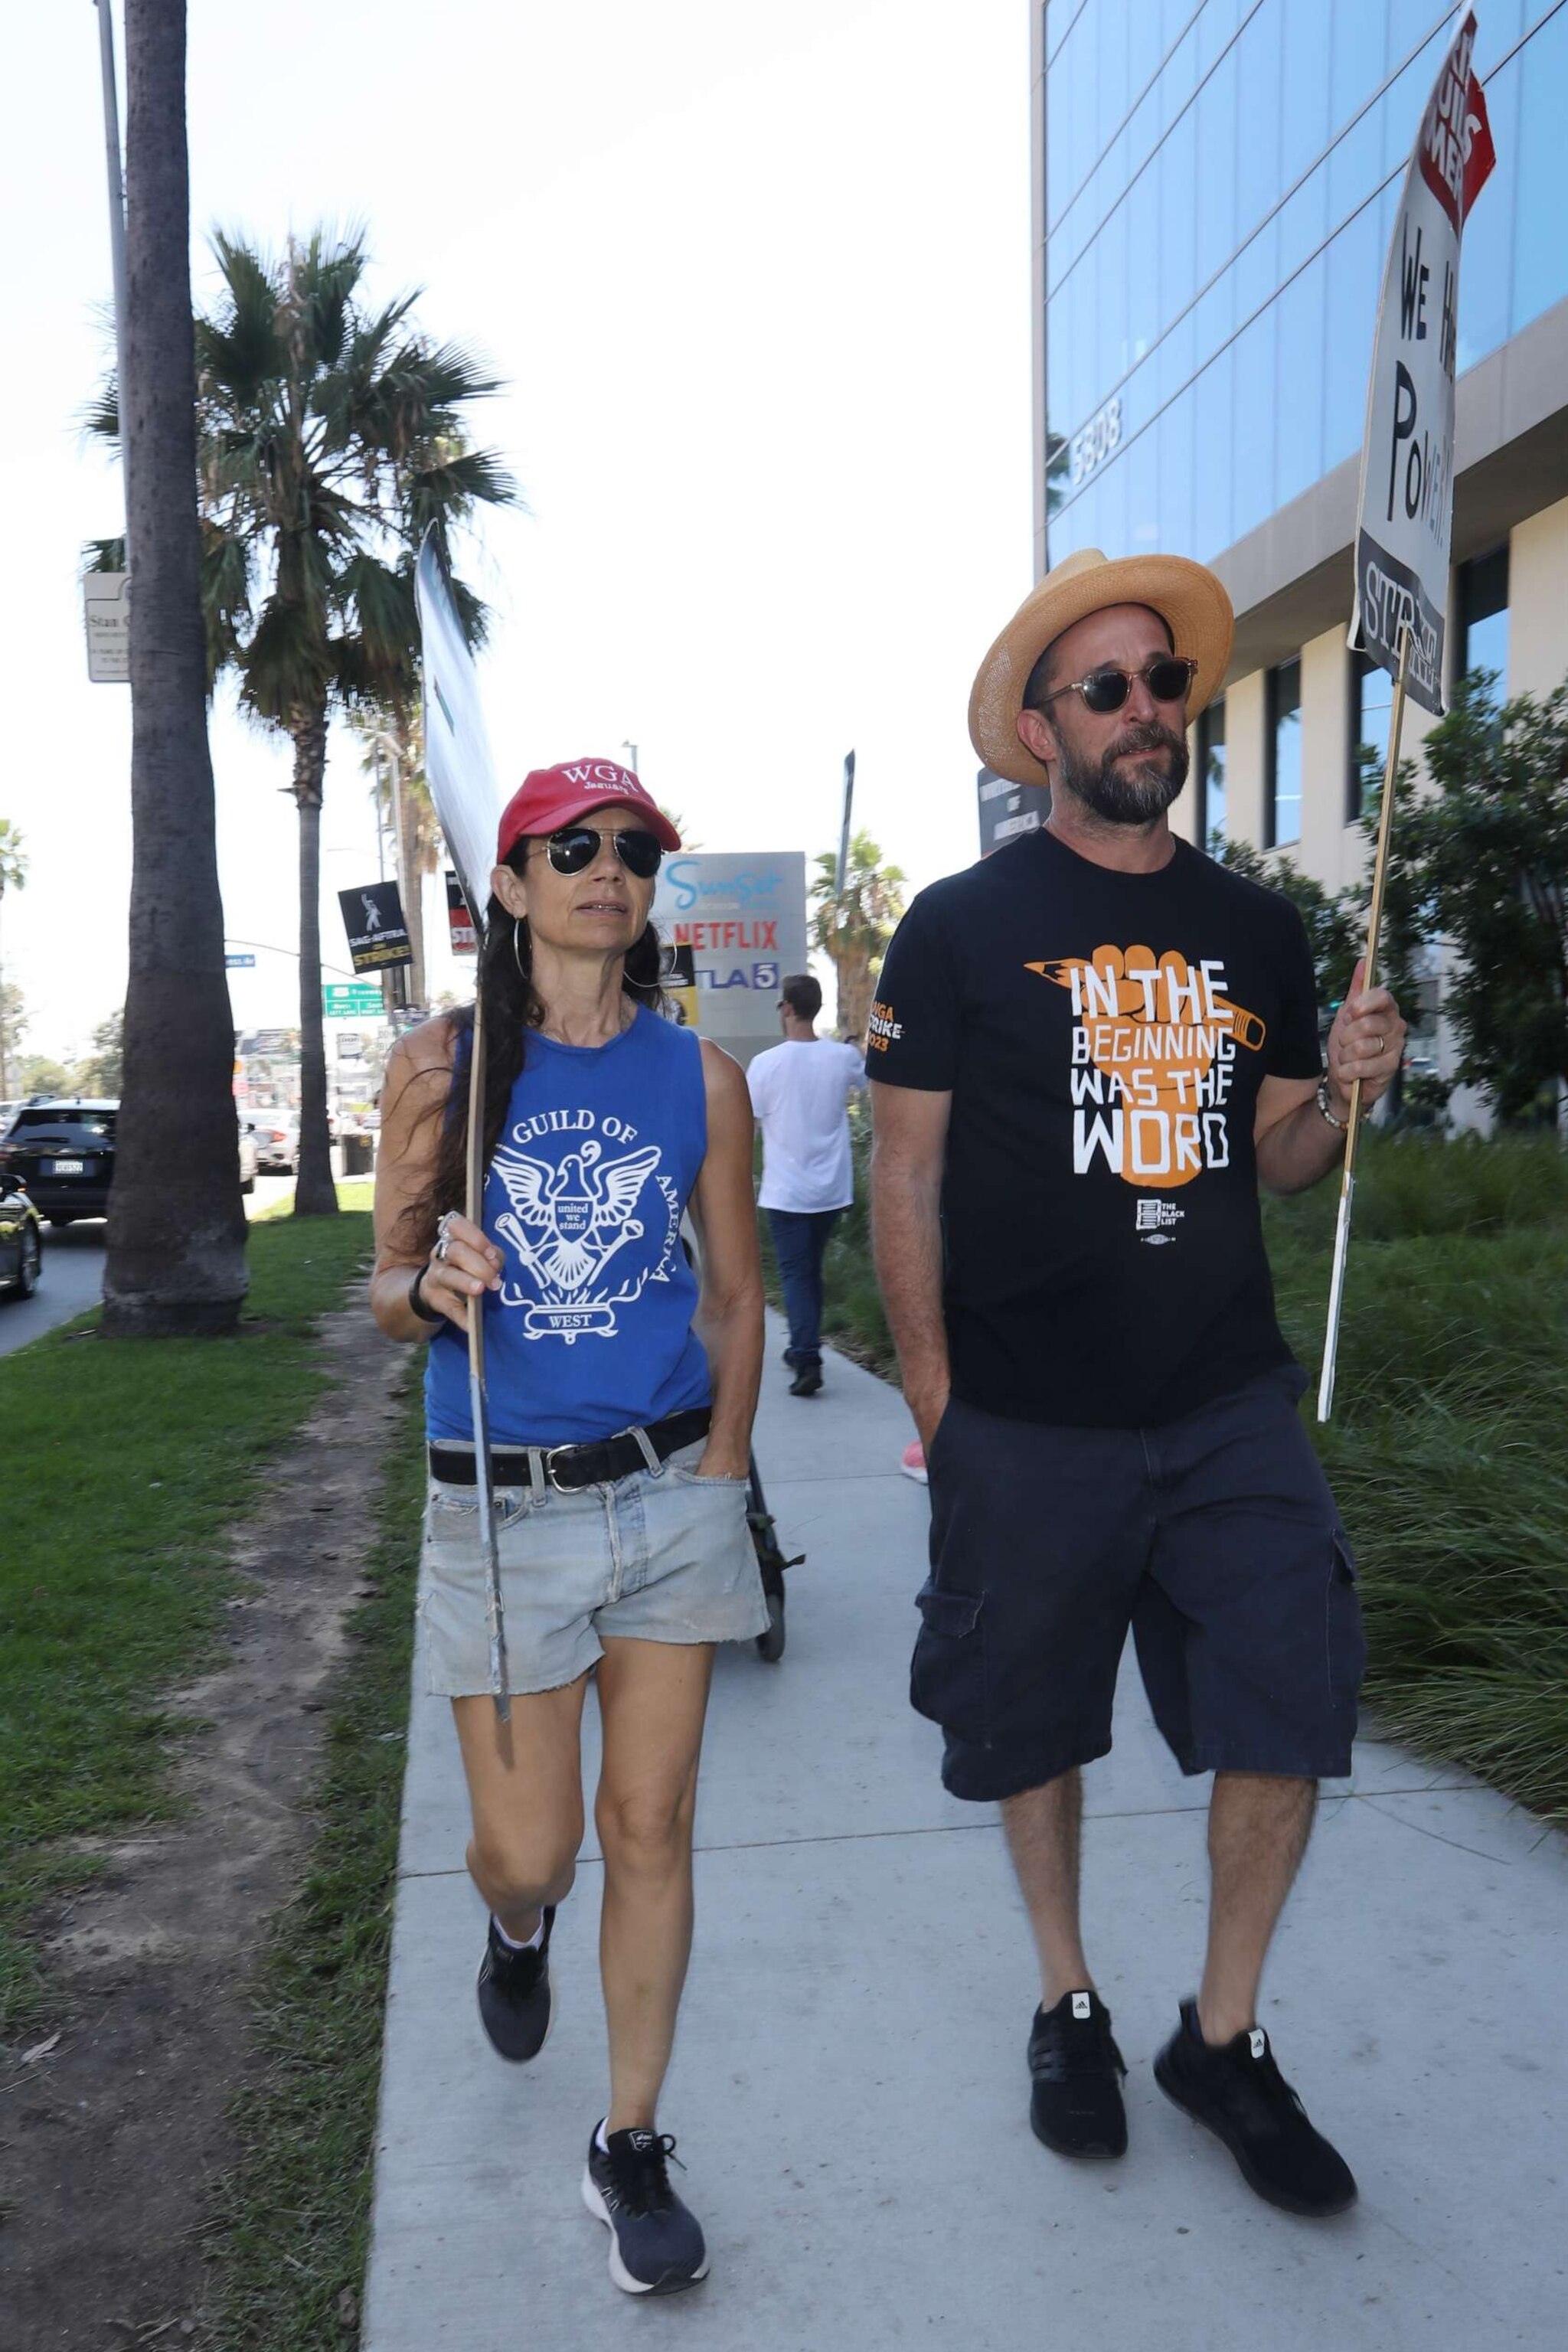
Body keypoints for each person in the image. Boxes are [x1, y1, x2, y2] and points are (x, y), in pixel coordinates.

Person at [867, 548, 1406, 2218]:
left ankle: (1220, 2037)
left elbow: (1286, 1160)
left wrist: (1348, 1094)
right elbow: (904, 1177)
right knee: (1034, 1723)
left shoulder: (1254, 925)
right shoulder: (959, 926)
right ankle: (1068, 2000)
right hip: (1025, 1416)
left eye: (1164, 685)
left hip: (1225, 1397)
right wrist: (934, 1401)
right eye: (1106, 689)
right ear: (1041, 733)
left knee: (1289, 1703)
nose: (1146, 710)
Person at [371, 758, 766, 2297]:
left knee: (650, 1828)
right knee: (530, 1850)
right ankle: (516, 1930)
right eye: (573, 846)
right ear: (515, 884)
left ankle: (630, 2140)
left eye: (637, 849)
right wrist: (433, 1287)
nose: (611, 867)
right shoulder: (444, 1069)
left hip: (667, 1494)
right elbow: (384, 1288)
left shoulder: (700, 1079)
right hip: (502, 1513)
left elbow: (734, 1295)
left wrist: (723, 1471)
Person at [746, 972, 864, 1396]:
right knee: (809, 1271)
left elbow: (751, 1126)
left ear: (788, 1009)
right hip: (831, 1191)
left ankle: (807, 1356)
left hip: (787, 1193)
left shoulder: (765, 1064)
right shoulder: (842, 1059)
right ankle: (802, 1346)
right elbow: (869, 1086)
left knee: (796, 1275)